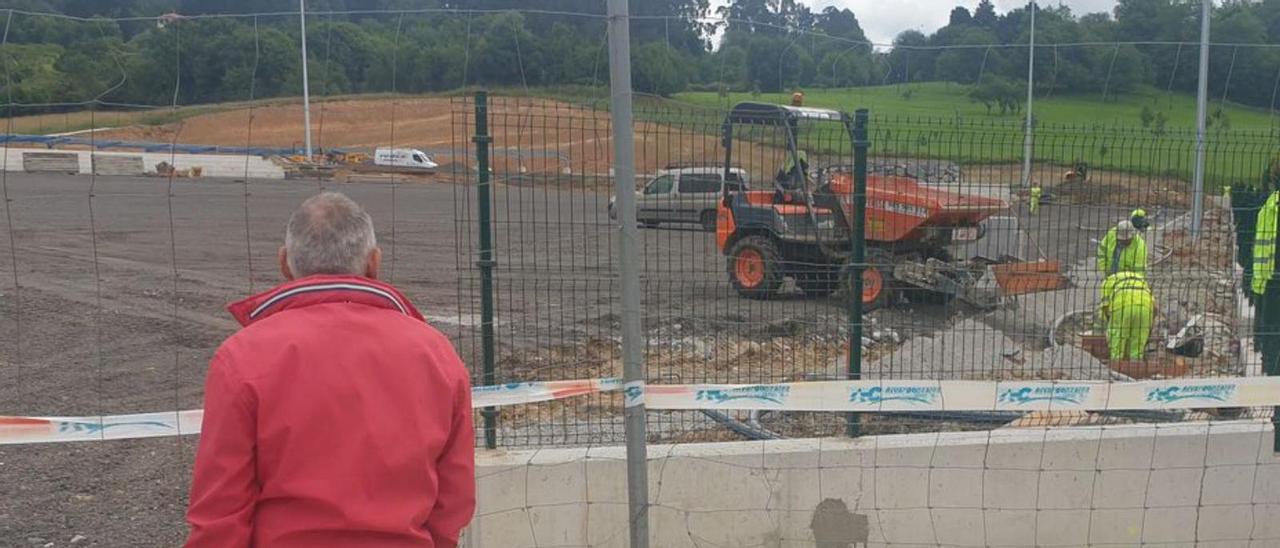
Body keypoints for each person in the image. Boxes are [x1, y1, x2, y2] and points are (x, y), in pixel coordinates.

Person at [185, 192, 475, 548]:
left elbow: (220, 509)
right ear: (373, 263)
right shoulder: (436, 353)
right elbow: (454, 496)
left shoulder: (242, 357)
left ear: (285, 264)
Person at [1099, 271, 1155, 361]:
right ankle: (1135, 366)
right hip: (1146, 307)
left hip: (1122, 306)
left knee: (1118, 336)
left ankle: (1116, 363)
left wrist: (1109, 323)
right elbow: (1155, 306)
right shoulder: (1140, 279)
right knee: (1138, 339)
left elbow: (1105, 306)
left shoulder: (1107, 282)